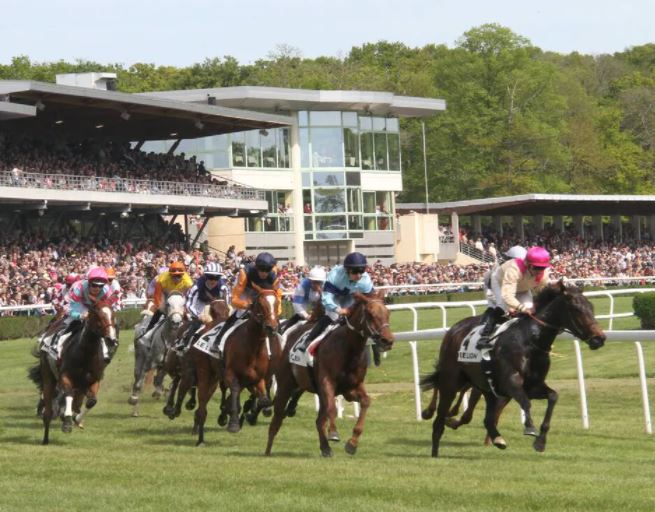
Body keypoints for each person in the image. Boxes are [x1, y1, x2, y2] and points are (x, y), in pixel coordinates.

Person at [476, 246, 552, 350]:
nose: (539, 271)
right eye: (536, 267)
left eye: (542, 268)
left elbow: (542, 293)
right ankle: (484, 336)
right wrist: (521, 308)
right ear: (528, 264)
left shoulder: (543, 275)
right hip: (500, 282)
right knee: (503, 306)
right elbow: (507, 295)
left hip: (522, 287)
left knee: (530, 309)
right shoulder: (514, 269)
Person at [298, 252, 373, 352]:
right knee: (332, 316)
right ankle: (308, 340)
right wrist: (338, 310)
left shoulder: (365, 279)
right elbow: (326, 298)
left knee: (364, 317)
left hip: (350, 297)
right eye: (355, 272)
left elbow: (370, 300)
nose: (359, 275)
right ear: (347, 270)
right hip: (334, 297)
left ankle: (375, 345)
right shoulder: (335, 275)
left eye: (362, 271)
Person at [210, 252, 282, 353]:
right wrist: (246, 305)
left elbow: (277, 297)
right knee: (239, 313)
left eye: (267, 270)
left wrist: (275, 313)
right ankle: (218, 341)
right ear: (256, 267)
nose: (264, 273)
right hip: (245, 291)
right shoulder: (245, 273)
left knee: (272, 318)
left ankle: (281, 347)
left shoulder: (274, 277)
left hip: (264, 292)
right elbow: (234, 299)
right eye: (261, 269)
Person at [45, 267, 111, 362]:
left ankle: (106, 351)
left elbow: (107, 308)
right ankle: (54, 347)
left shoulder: (106, 291)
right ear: (88, 283)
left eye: (100, 286)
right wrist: (80, 315)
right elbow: (68, 308)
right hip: (77, 304)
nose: (97, 288)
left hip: (94, 306)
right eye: (94, 285)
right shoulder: (78, 287)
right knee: (68, 323)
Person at [179, 261, 230, 350]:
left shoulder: (223, 288)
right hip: (200, 305)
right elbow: (189, 304)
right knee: (197, 323)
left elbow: (227, 305)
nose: (213, 280)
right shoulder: (197, 286)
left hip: (216, 307)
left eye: (217, 278)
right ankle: (184, 342)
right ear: (205, 276)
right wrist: (198, 316)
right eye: (210, 277)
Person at [141, 261, 193, 343]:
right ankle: (148, 332)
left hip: (180, 297)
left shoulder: (188, 282)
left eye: (179, 276)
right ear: (170, 274)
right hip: (165, 295)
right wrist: (162, 308)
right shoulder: (162, 280)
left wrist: (186, 309)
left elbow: (190, 297)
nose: (176, 278)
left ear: (183, 274)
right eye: (174, 276)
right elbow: (157, 296)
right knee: (157, 313)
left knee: (189, 317)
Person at [281, 266, 326, 334]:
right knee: (299, 316)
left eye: (319, 282)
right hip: (304, 300)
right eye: (314, 282)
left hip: (317, 301)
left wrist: (321, 293)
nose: (316, 284)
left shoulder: (326, 286)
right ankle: (284, 331)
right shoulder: (302, 286)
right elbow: (297, 304)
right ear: (310, 280)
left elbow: (328, 303)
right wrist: (307, 316)